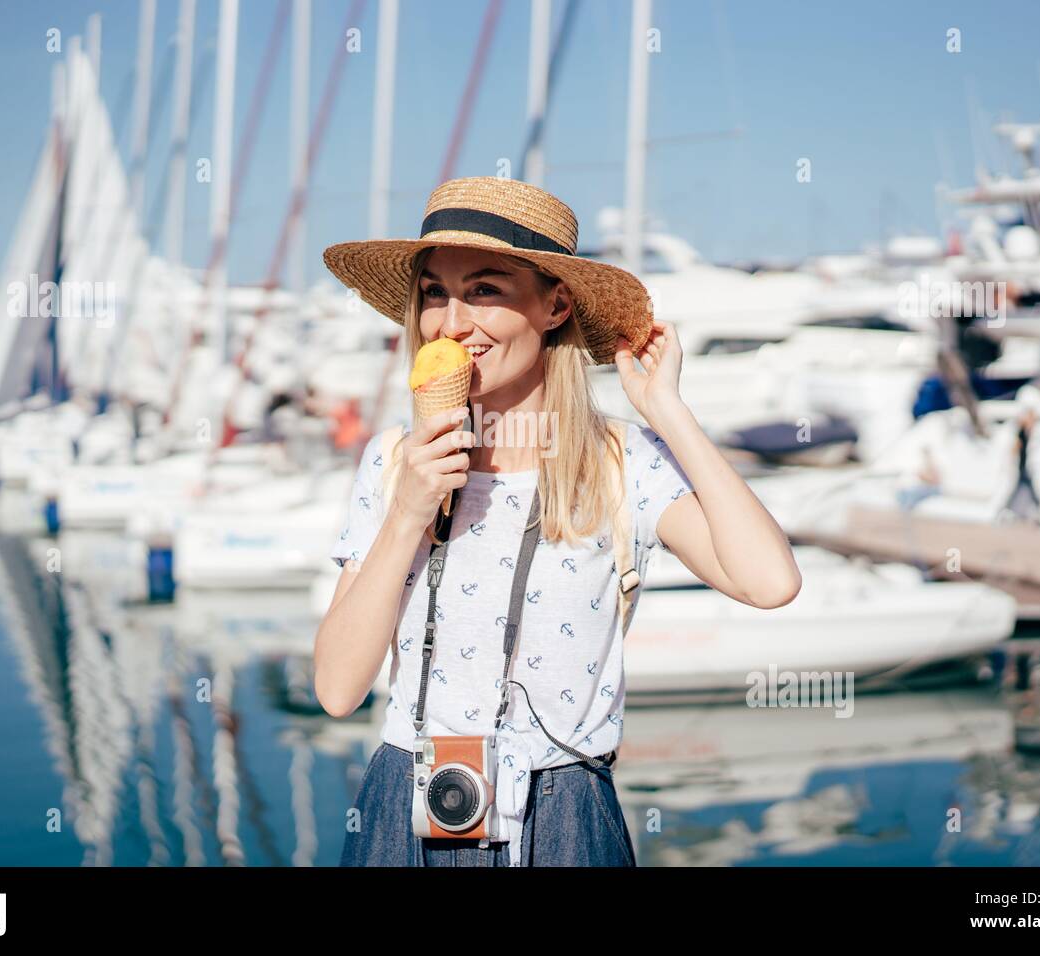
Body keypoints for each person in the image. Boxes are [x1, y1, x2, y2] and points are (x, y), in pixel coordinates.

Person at [314, 176, 802, 867]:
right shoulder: (395, 461)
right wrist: (407, 516)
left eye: (485, 290)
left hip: (566, 814)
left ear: (554, 306)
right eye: (434, 294)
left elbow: (770, 582)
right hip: (406, 802)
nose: (452, 324)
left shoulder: (619, 462)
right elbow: (337, 690)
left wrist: (666, 411)